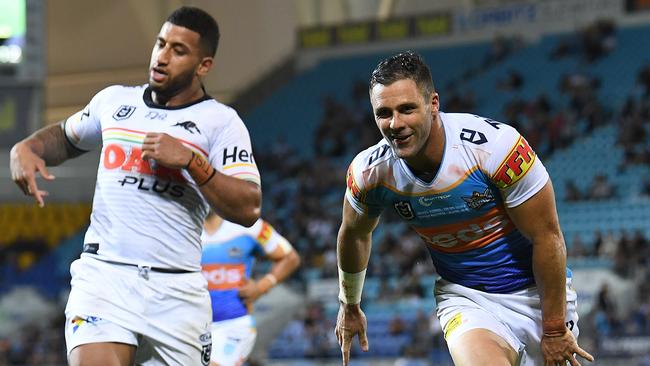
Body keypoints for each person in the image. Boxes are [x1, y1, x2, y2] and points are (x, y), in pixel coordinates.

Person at [9, 6, 262, 366]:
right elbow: (65, 138)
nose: (162, 57)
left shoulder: (221, 123)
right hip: (106, 279)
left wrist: (193, 161)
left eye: (178, 51)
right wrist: (27, 148)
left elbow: (249, 208)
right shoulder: (114, 101)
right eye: (161, 44)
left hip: (178, 292)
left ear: (203, 65)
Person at [334, 51, 594, 366]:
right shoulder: (369, 173)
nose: (395, 124)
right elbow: (354, 233)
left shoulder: (495, 148)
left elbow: (547, 236)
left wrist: (553, 330)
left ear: (433, 104)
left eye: (406, 109)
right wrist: (349, 304)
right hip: (466, 297)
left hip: (537, 295)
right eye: (383, 113)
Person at [201, 211, 300, 366]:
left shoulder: (251, 226)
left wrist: (262, 286)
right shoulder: (176, 225)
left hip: (233, 324)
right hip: (187, 323)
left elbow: (290, 257)